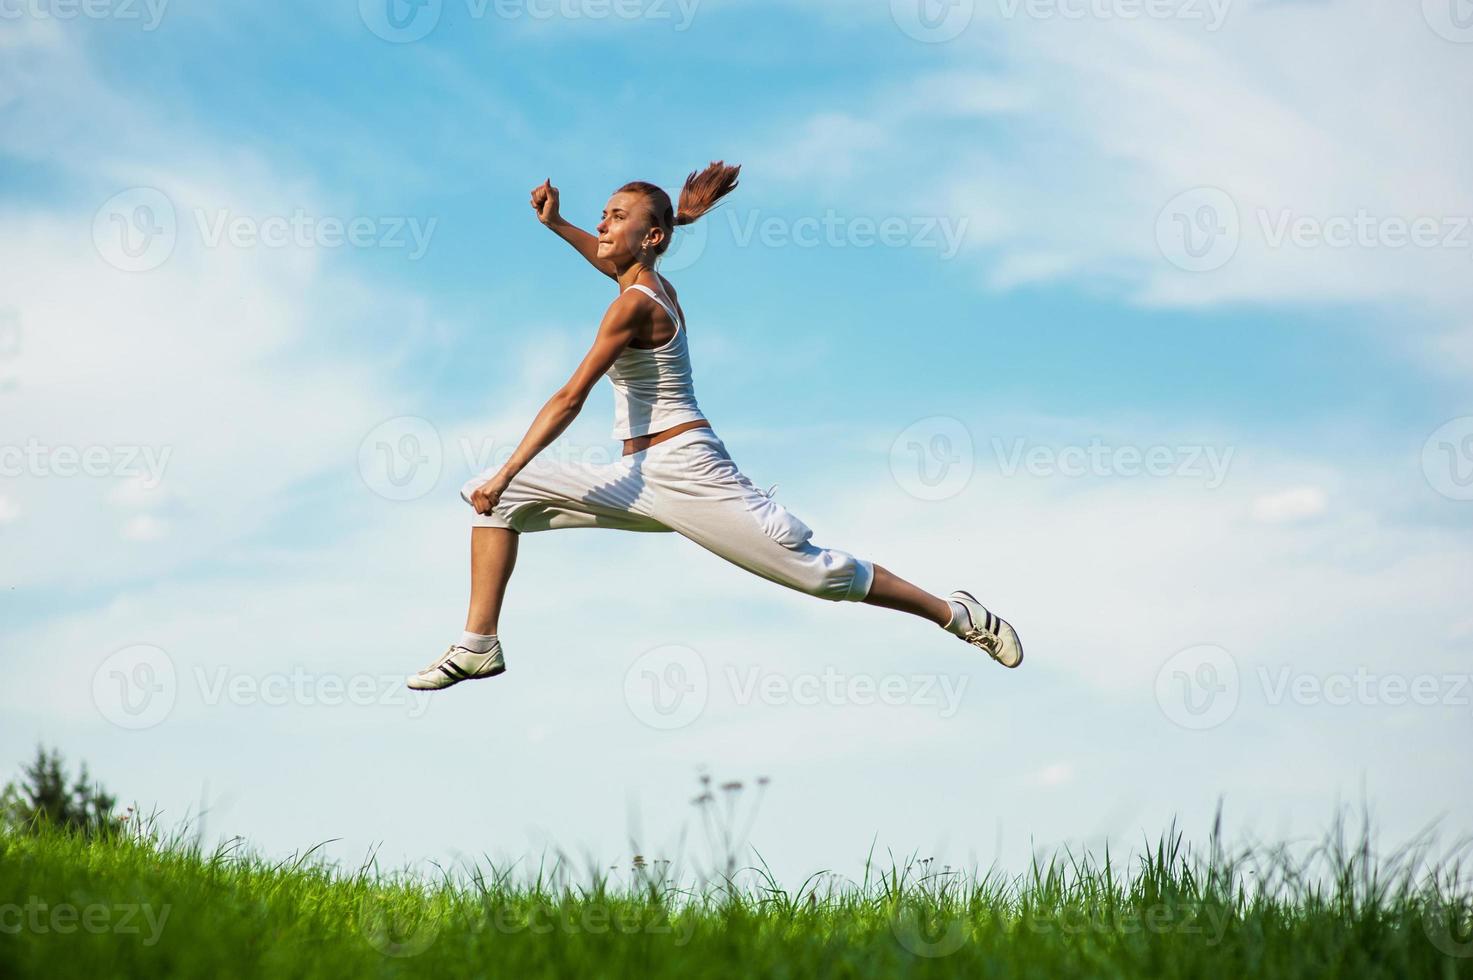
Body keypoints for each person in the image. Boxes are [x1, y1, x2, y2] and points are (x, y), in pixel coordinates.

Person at [408, 163, 1022, 690]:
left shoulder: (636, 305)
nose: (601, 224)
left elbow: (570, 397)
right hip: (638, 473)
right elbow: (611, 263)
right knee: (497, 497)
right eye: (601, 214)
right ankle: (478, 642)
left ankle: (956, 614)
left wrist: (514, 465)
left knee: (821, 574)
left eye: (615, 216)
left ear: (649, 236)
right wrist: (557, 226)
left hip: (690, 472)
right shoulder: (643, 282)